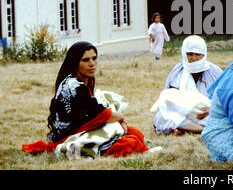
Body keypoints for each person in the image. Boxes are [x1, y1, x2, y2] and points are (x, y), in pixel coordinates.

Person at [22, 41, 150, 158]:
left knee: (135, 133)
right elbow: (102, 114)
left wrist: (119, 122)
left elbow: (96, 110)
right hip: (72, 135)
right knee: (130, 142)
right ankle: (99, 149)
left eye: (94, 58)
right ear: (75, 62)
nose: (92, 63)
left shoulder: (82, 81)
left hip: (85, 127)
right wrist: (121, 118)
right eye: (85, 60)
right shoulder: (74, 85)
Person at [151, 35, 222, 135]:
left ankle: (184, 128)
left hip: (205, 115)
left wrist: (212, 109)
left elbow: (225, 98)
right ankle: (202, 130)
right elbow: (169, 98)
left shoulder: (214, 71)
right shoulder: (178, 71)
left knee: (221, 120)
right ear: (184, 54)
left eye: (198, 54)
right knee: (161, 117)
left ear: (204, 54)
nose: (194, 58)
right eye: (190, 54)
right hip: (181, 113)